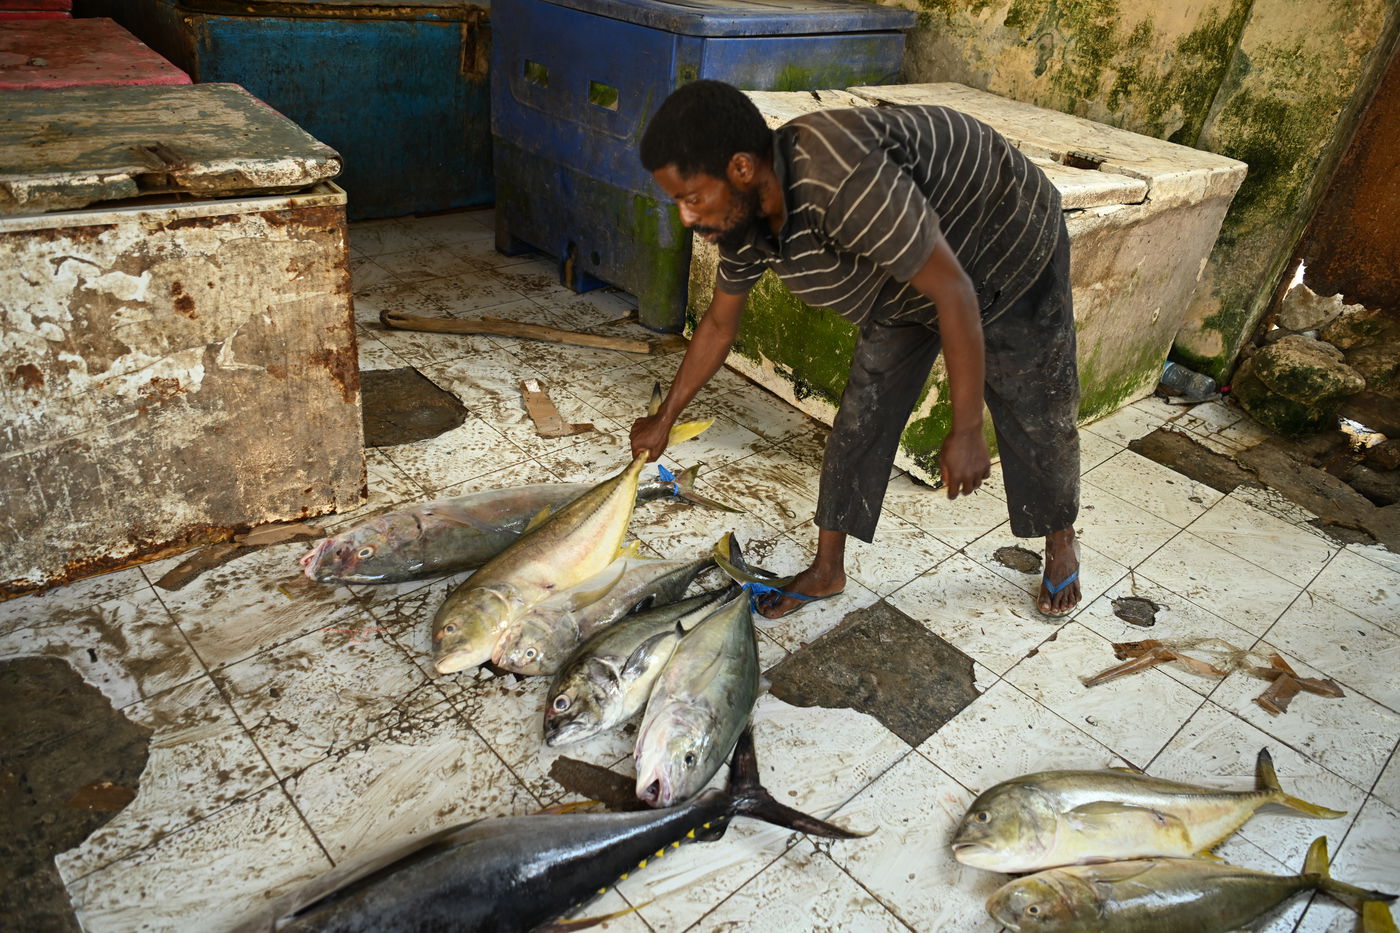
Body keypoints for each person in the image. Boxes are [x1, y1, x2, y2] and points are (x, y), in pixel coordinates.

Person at [629, 80, 1082, 619]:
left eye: (693, 196)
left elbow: (955, 291)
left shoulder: (840, 179)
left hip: (1004, 236)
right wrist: (665, 417)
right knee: (862, 415)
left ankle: (1060, 541)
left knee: (1036, 406)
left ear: (743, 169)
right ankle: (827, 570)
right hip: (909, 271)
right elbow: (719, 325)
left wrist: (965, 430)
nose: (686, 216)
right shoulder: (742, 223)